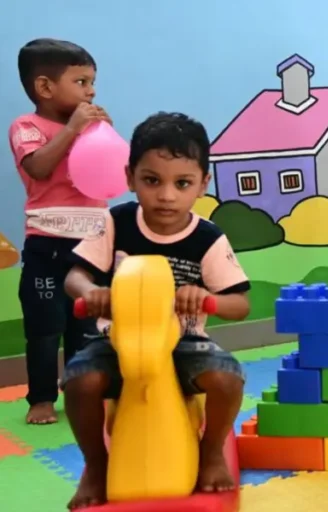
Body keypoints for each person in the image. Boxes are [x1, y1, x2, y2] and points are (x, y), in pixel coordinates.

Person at [61, 112, 251, 509]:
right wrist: (93, 291)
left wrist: (207, 299)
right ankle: (96, 463)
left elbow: (240, 304)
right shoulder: (115, 223)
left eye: (182, 183)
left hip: (184, 342)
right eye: (152, 181)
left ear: (202, 184)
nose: (166, 196)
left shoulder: (208, 238)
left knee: (228, 378)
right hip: (118, 340)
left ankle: (212, 448)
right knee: (79, 382)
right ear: (130, 177)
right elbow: (74, 277)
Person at [8, 38, 114, 425]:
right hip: (47, 247)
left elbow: (109, 176)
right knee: (44, 329)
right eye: (82, 82)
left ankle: (81, 390)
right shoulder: (27, 126)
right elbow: (38, 168)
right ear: (45, 87)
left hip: (90, 245)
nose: (92, 91)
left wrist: (104, 137)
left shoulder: (87, 128)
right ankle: (40, 399)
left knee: (85, 326)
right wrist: (73, 129)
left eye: (92, 82)